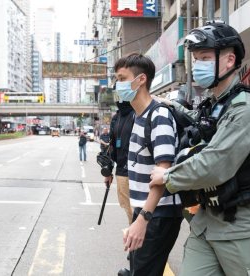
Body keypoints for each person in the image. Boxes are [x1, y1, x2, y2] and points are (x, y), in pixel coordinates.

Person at [150, 21, 250, 275]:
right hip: (209, 222)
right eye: (196, 59)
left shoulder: (246, 108)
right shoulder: (217, 103)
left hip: (245, 228)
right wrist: (166, 104)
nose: (197, 65)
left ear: (229, 60)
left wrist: (168, 177)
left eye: (205, 58)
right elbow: (200, 123)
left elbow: (216, 163)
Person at [114, 53, 183, 276]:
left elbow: (163, 172)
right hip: (147, 211)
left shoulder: (158, 115)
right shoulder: (138, 116)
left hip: (158, 214)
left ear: (141, 79)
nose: (118, 85)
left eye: (122, 78)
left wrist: (144, 219)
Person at [105, 101, 135, 225]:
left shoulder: (140, 112)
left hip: (142, 174)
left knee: (142, 214)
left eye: (123, 80)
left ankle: (139, 242)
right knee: (129, 212)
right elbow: (112, 146)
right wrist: (108, 171)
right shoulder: (116, 118)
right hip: (122, 172)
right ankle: (135, 242)